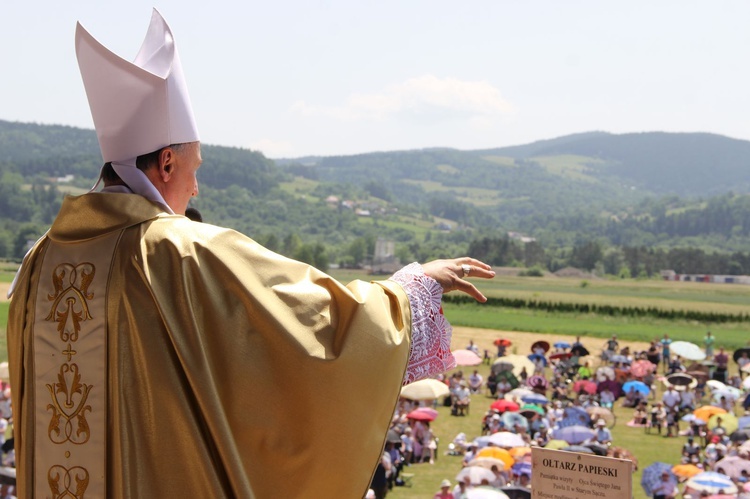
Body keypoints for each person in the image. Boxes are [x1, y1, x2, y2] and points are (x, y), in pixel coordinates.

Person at [5, 11, 496, 499]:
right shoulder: (181, 252)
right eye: (194, 168)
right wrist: (411, 291)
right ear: (168, 161)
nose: (195, 189)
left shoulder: (38, 263)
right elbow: (319, 328)